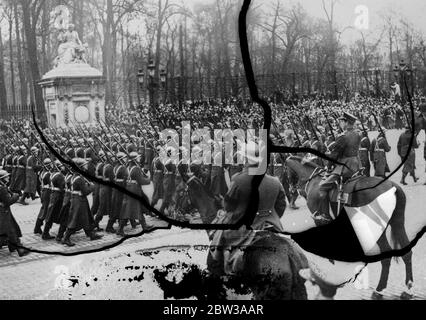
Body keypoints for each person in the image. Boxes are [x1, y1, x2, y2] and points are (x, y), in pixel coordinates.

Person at [209, 141, 287, 276]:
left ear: (245, 158)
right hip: (271, 225)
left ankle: (217, 273)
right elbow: (281, 206)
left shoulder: (238, 180)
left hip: (244, 228)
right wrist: (267, 217)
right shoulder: (275, 181)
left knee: (216, 243)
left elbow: (228, 206)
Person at [317, 113, 361, 224]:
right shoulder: (357, 134)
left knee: (322, 186)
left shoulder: (343, 136)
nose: (340, 124)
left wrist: (328, 166)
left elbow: (335, 155)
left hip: (345, 166)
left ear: (346, 122)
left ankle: (325, 215)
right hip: (356, 164)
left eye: (341, 121)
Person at [62, 158, 103, 247]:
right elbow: (85, 191)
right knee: (74, 219)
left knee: (86, 217)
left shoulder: (74, 176)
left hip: (78, 199)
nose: (86, 167)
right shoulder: (79, 178)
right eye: (84, 166)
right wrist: (91, 187)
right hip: (79, 200)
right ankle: (66, 238)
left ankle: (91, 234)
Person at [0, 170, 30, 257]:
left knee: (9, 229)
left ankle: (12, 246)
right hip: (3, 212)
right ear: (2, 178)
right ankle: (20, 249)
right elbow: (8, 201)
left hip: (3, 211)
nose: (8, 178)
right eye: (6, 177)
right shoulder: (2, 188)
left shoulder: (3, 187)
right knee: (11, 230)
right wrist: (16, 196)